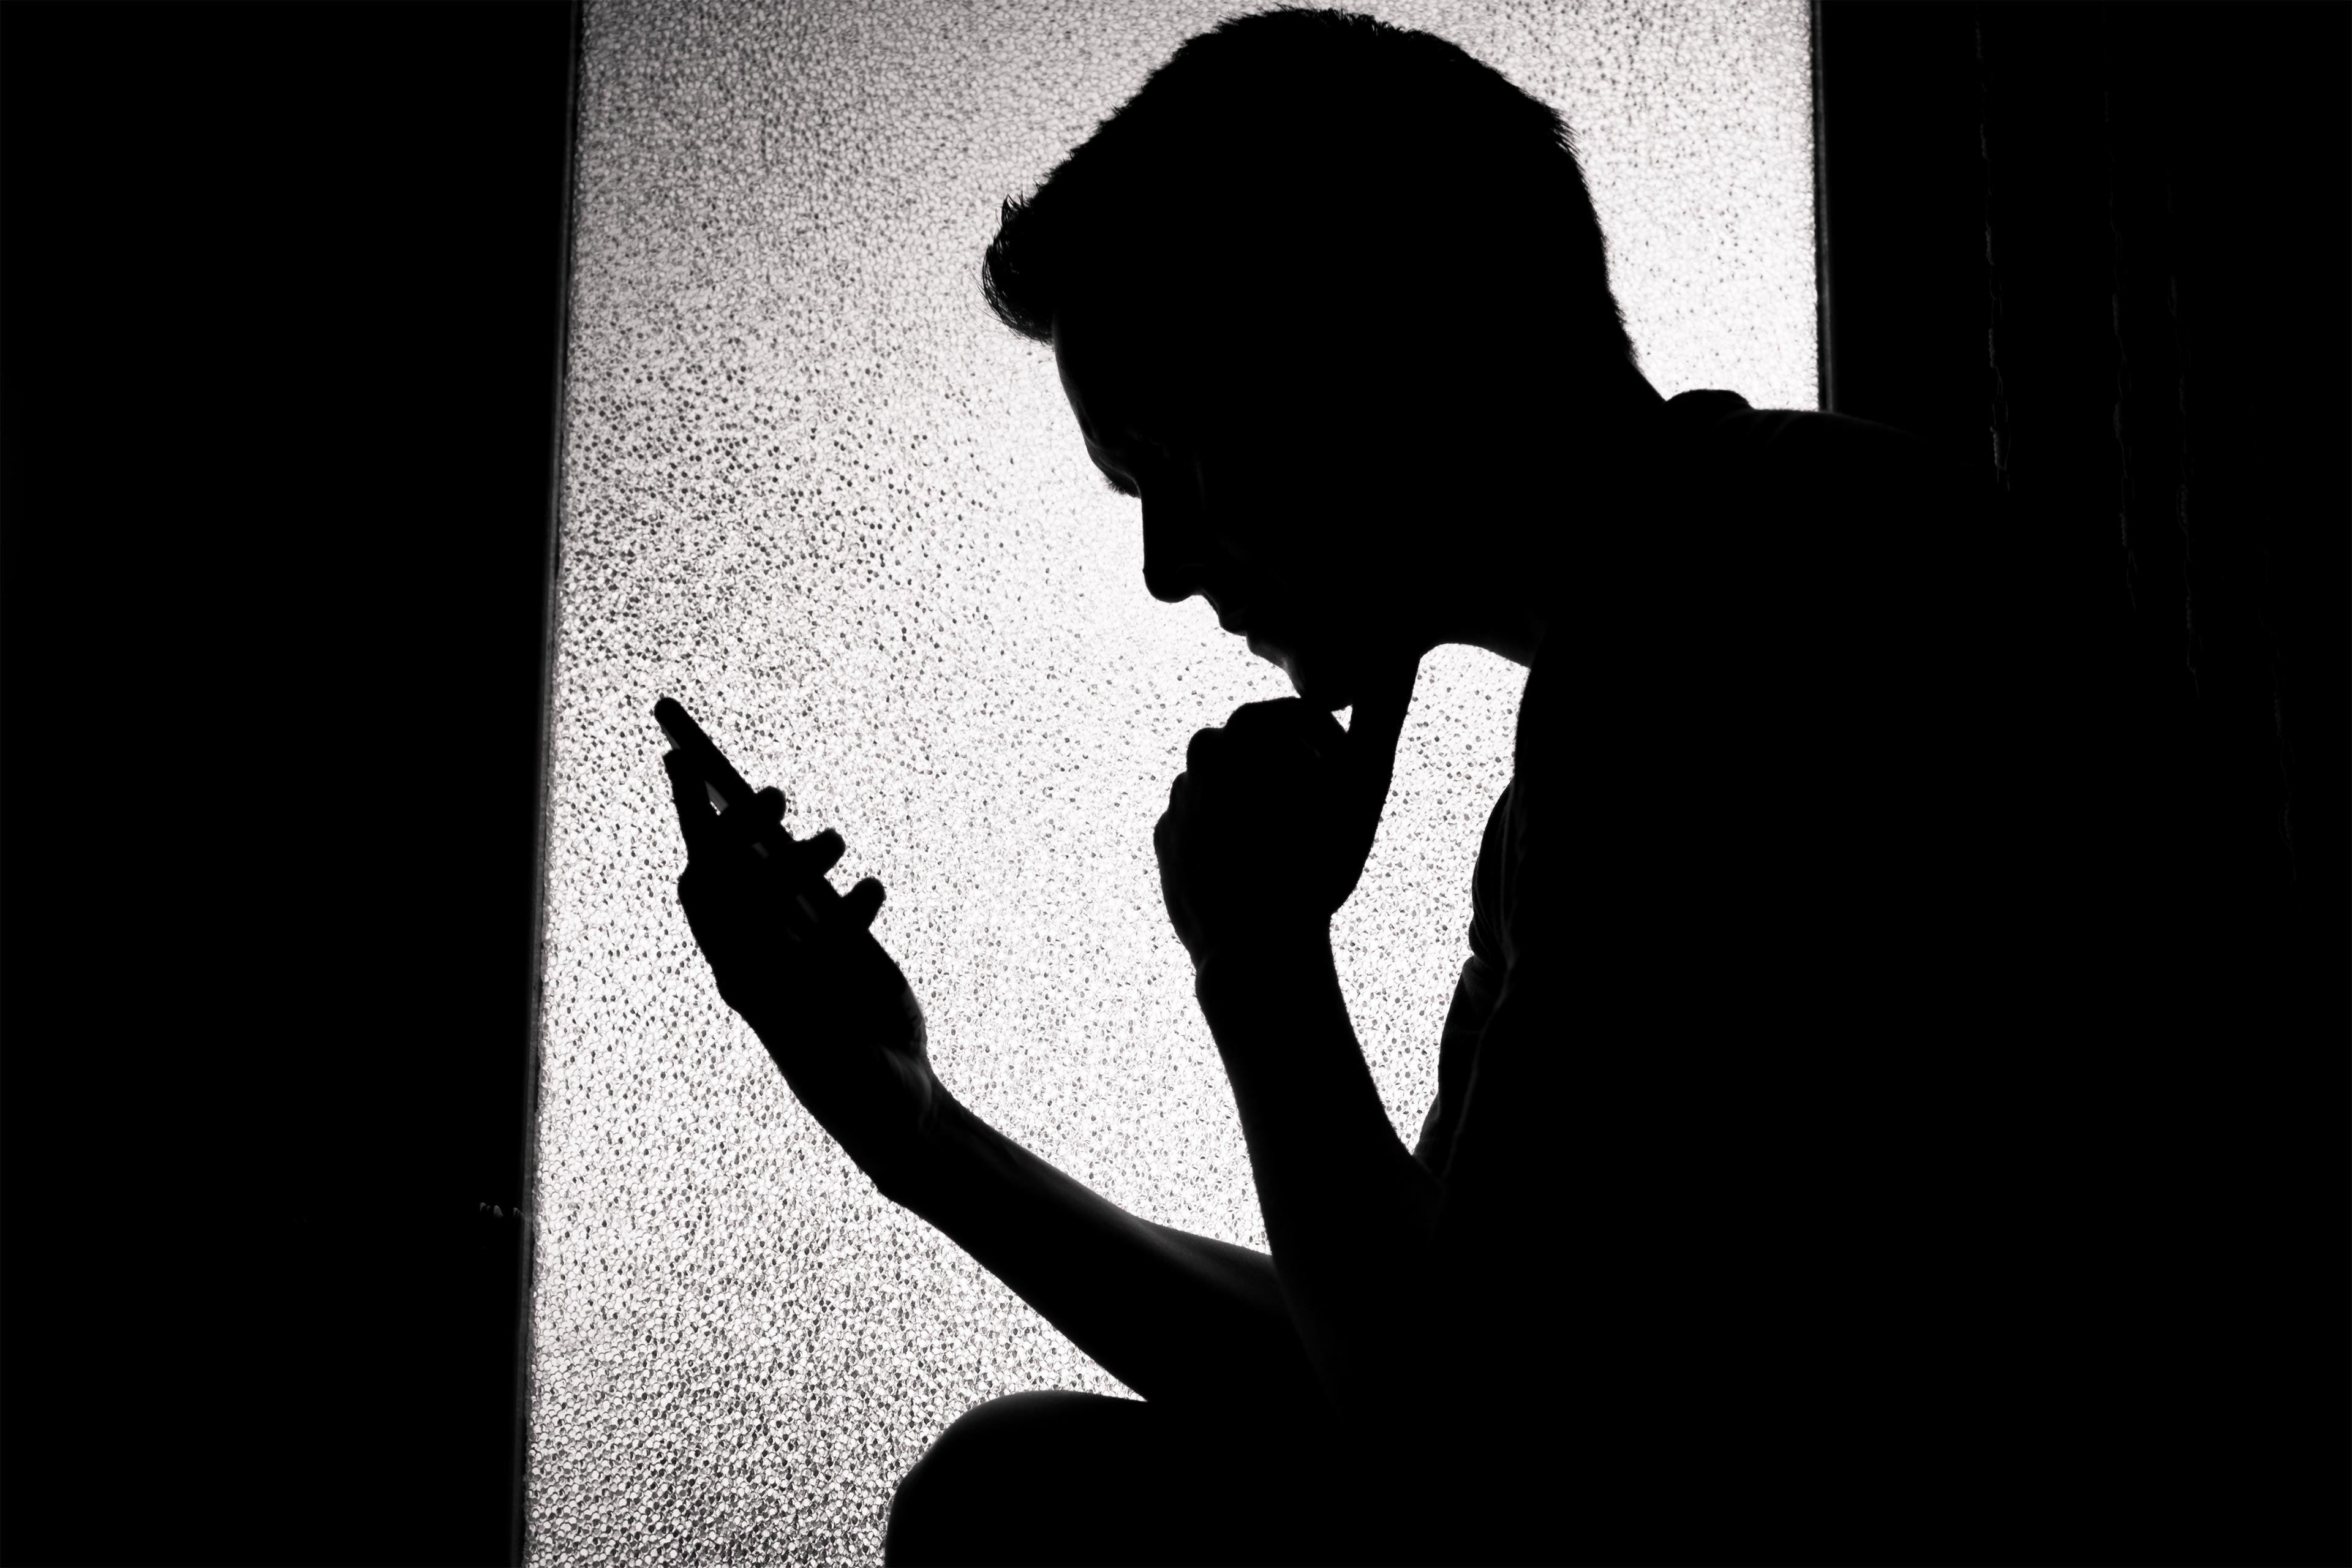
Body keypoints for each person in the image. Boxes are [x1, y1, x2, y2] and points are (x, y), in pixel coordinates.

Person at [663, 10, 2219, 1564]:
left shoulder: (1739, 626)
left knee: (1021, 1502)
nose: (1165, 567)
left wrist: (1259, 964)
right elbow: (1420, 1351)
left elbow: (1470, 1459)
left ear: (1351, 349)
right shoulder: (1715, 593)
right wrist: (921, 1131)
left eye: (1167, 462)